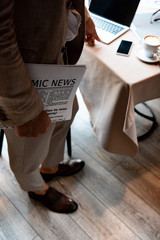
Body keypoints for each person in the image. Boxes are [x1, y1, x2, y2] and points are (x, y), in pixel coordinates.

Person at [0, 0, 100, 213]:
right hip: (21, 74)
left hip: (55, 57)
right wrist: (23, 109)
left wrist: (85, 18)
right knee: (27, 148)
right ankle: (36, 188)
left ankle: (50, 167)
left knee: (68, 113)